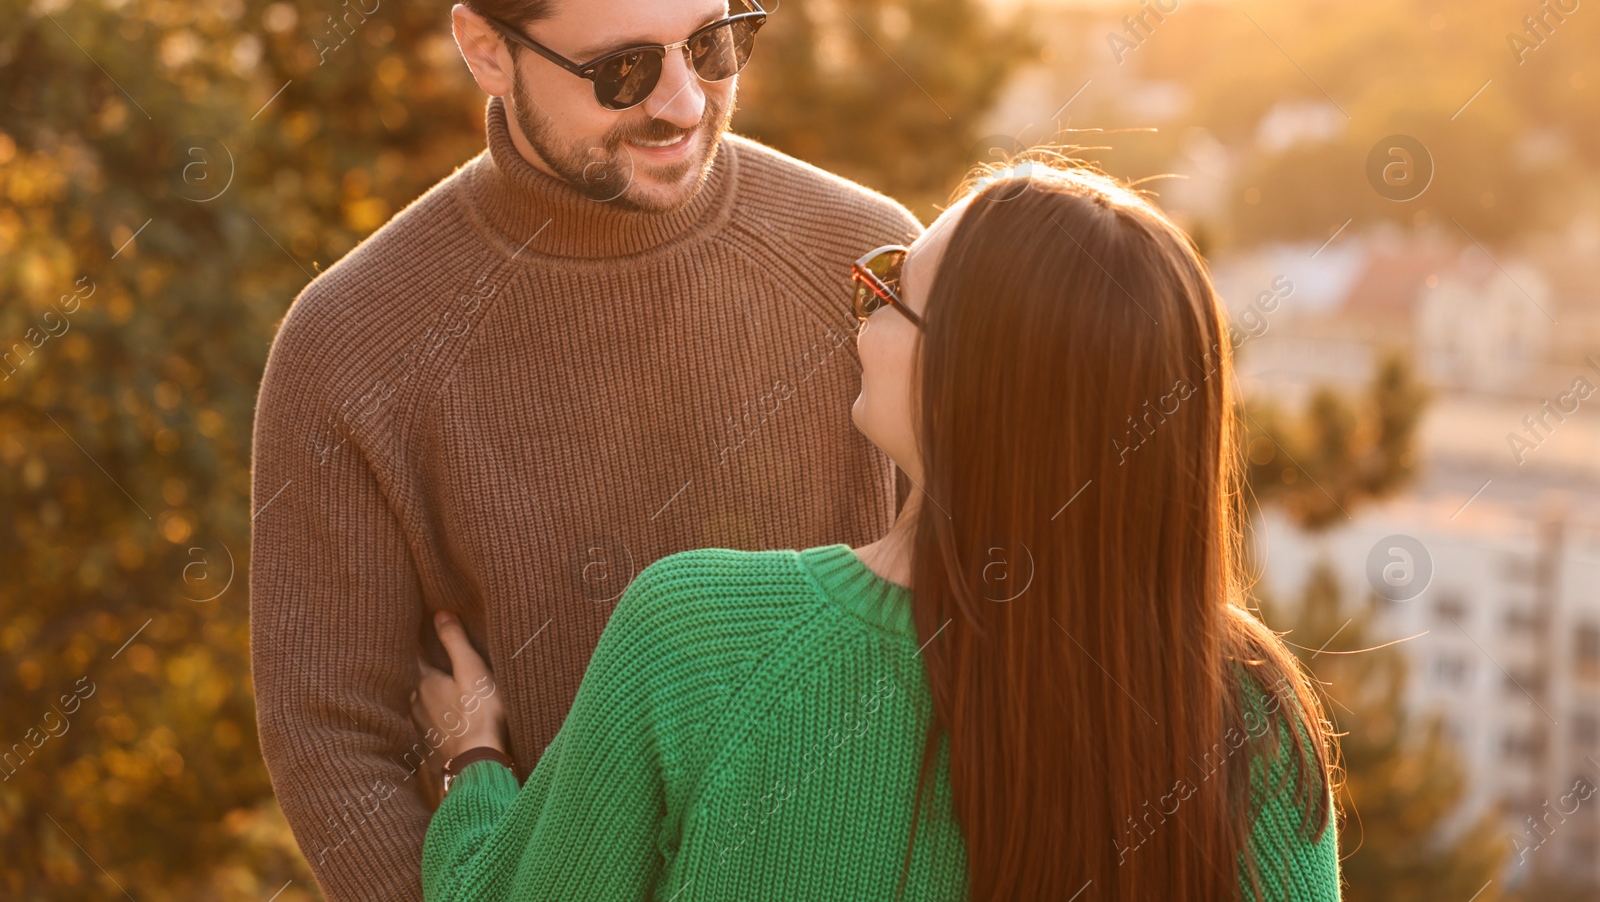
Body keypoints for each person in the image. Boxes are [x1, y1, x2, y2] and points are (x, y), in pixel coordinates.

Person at [248, 0, 920, 897]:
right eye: (620, 69)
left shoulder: (875, 264)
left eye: (711, 43)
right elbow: (333, 733)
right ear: (484, 49)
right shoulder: (350, 342)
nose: (683, 102)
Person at [412, 161, 1345, 901]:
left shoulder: (698, 636)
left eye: (893, 286)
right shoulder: (1247, 712)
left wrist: (476, 761)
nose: (862, 300)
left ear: (969, 388)